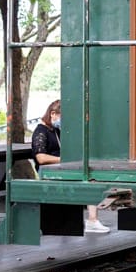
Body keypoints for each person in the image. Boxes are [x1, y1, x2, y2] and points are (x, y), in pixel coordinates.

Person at [32, 99, 110, 234]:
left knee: (90, 176)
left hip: (63, 168)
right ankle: (91, 219)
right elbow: (41, 157)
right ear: (53, 114)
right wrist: (62, 159)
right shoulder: (41, 132)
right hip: (49, 171)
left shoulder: (57, 131)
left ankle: (92, 219)